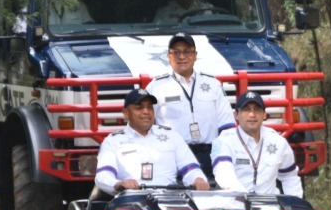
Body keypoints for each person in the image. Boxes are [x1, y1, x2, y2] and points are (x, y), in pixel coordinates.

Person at [147, 32, 241, 188]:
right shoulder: (156, 87)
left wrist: (225, 160)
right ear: (168, 56)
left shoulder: (212, 84)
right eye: (176, 52)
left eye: (187, 51)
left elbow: (227, 127)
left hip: (209, 155)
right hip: (172, 157)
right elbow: (145, 126)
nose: (182, 56)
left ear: (195, 55)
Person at [95, 87, 213, 194]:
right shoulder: (113, 141)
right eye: (139, 107)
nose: (146, 112)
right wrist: (118, 184)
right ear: (126, 113)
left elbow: (190, 168)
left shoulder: (172, 136)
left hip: (170, 200)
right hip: (131, 201)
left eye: (150, 107)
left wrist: (198, 179)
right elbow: (103, 175)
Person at [212, 91, 304, 197]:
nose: (252, 114)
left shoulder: (278, 142)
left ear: (264, 115)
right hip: (235, 203)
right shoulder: (224, 141)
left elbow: (290, 176)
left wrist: (295, 203)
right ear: (236, 115)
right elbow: (224, 175)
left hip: (270, 204)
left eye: (257, 109)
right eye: (246, 109)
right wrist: (247, 200)